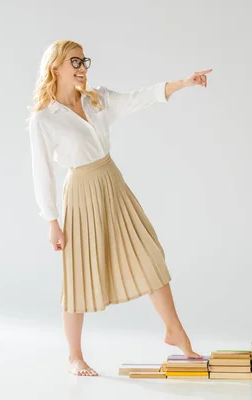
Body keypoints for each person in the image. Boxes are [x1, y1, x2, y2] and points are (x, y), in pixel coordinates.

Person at [27, 39, 211, 376]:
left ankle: (175, 332)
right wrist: (52, 220)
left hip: (113, 183)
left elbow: (138, 98)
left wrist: (182, 83)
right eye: (74, 62)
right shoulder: (43, 119)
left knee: (149, 253)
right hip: (81, 193)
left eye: (84, 62)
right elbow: (43, 174)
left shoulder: (97, 99)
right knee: (78, 272)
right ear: (55, 67)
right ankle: (74, 357)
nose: (82, 69)